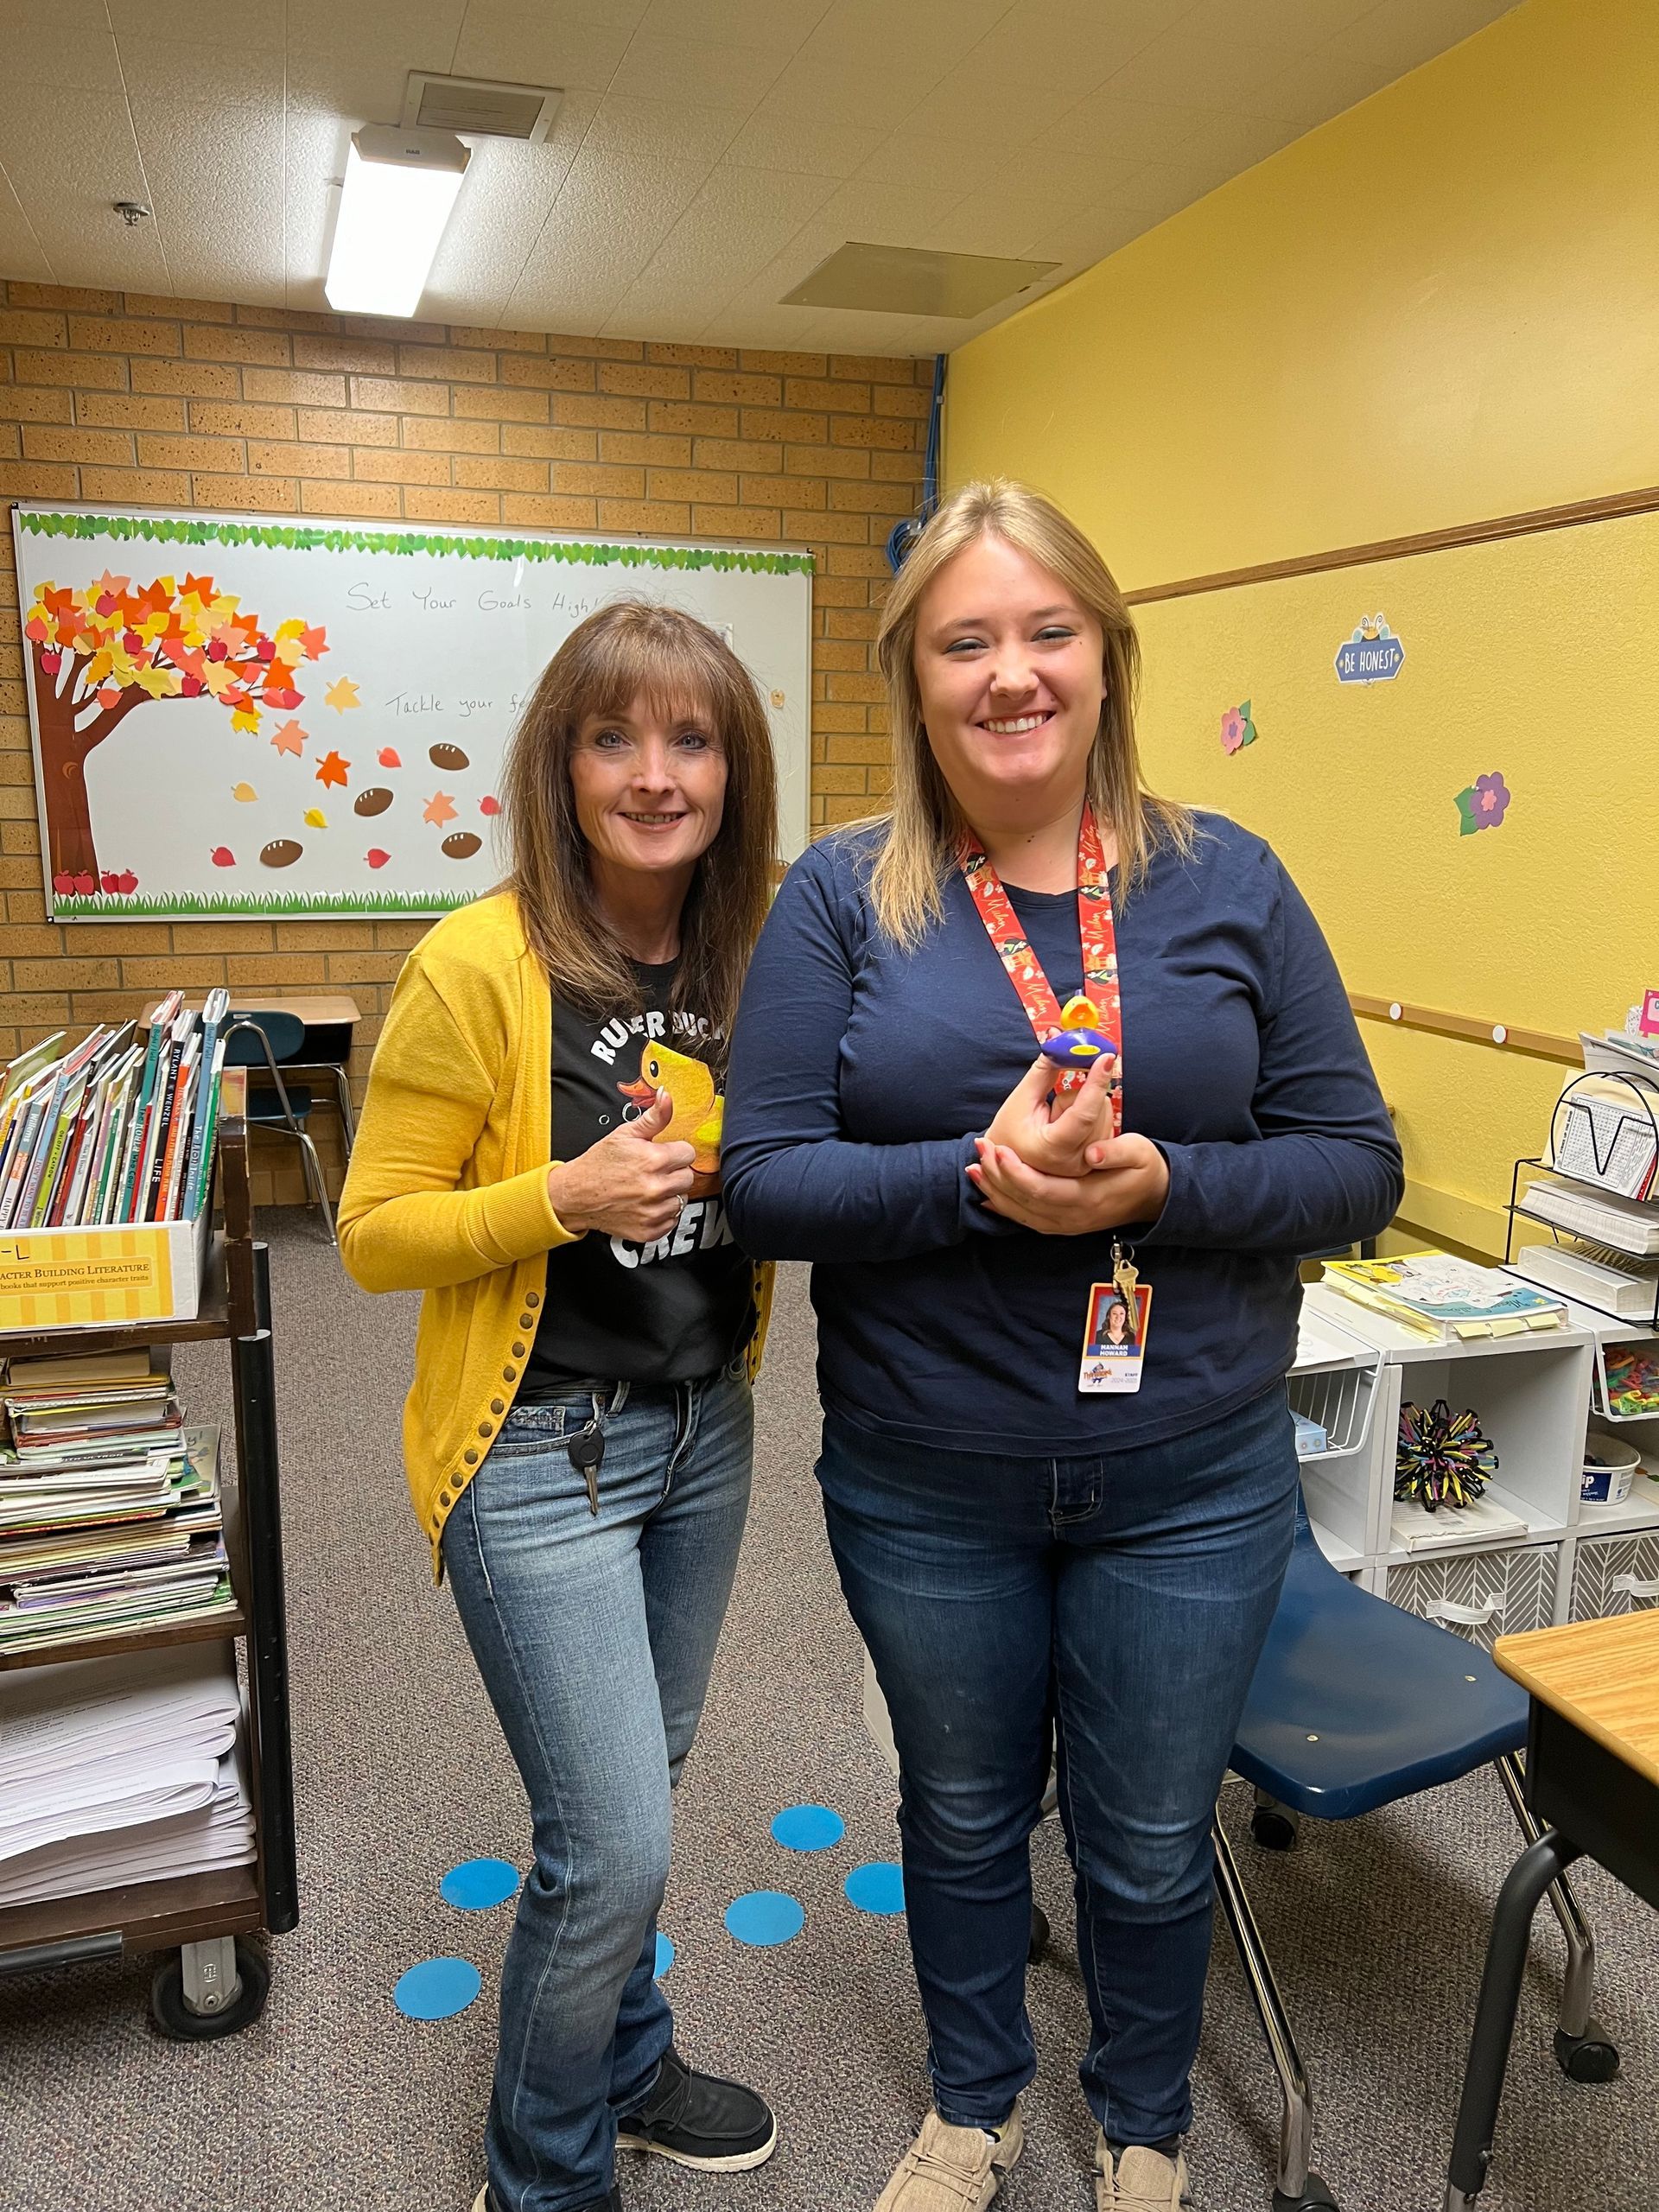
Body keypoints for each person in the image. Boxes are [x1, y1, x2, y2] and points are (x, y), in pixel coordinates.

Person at [722, 480, 1402, 2212]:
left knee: (1153, 1833)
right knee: (961, 1815)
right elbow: (765, 1177)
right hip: (926, 1467)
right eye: (968, 640)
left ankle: (1146, 2122)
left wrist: (1163, 1179)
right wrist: (976, 1180)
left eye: (1048, 631)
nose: (1012, 672)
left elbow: (1357, 1161)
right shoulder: (836, 897)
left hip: (1192, 1467)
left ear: (1107, 657)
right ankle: (972, 2108)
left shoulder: (1227, 877)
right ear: (916, 676)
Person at [338, 601, 781, 2212]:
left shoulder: (761, 950)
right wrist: (561, 1194)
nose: (654, 775)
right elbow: (372, 1235)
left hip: (704, 1430)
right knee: (611, 1844)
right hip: (539, 1450)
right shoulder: (477, 965)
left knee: (638, 1803)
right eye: (615, 737)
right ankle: (541, 2175)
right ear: (561, 761)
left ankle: (626, 2054)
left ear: (736, 769)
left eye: (691, 739)